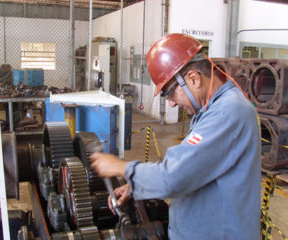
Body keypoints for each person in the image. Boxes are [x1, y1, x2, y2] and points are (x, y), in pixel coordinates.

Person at [90, 33, 261, 240]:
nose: (171, 103)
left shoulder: (227, 113)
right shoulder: (209, 109)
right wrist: (136, 185)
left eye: (169, 93)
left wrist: (121, 167)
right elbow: (189, 164)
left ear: (193, 79)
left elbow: (173, 177)